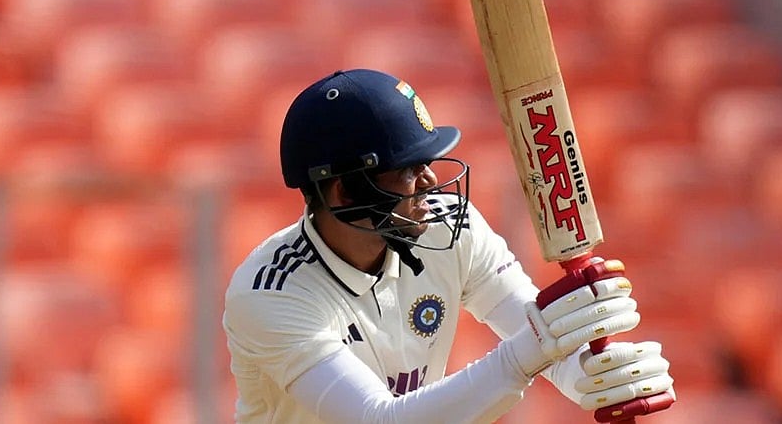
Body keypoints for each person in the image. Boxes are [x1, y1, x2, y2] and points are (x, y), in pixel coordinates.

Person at [223, 69, 674, 423]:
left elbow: (529, 325)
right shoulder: (270, 294)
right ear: (344, 193)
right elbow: (380, 421)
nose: (432, 181)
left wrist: (588, 376)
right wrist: (530, 352)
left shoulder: (448, 224)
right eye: (408, 167)